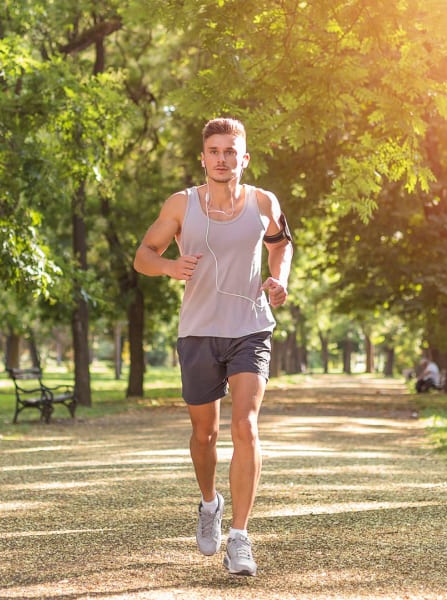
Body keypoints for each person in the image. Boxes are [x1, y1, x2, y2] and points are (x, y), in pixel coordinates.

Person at [133, 117, 293, 576]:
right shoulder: (181, 205)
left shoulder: (263, 202)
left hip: (250, 327)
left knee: (245, 426)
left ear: (244, 158)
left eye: (230, 152)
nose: (222, 159)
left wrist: (278, 279)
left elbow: (282, 244)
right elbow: (143, 255)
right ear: (203, 158)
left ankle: (240, 538)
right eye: (214, 152)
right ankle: (210, 503)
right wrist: (169, 268)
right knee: (205, 436)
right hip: (199, 331)